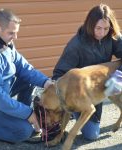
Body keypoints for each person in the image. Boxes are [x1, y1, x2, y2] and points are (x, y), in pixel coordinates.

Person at [0, 9, 53, 150]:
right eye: (11, 33)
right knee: (23, 131)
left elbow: (23, 67)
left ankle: (16, 118)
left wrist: (46, 82)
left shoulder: (2, 38)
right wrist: (29, 114)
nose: (15, 37)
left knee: (29, 80)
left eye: (16, 32)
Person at [52, 3, 122, 141]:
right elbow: (58, 75)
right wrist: (71, 99)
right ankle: (72, 112)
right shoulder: (76, 44)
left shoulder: (112, 36)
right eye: (98, 28)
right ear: (90, 25)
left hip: (101, 89)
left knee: (91, 135)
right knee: (91, 135)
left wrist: (118, 77)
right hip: (81, 94)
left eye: (106, 28)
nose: (102, 33)